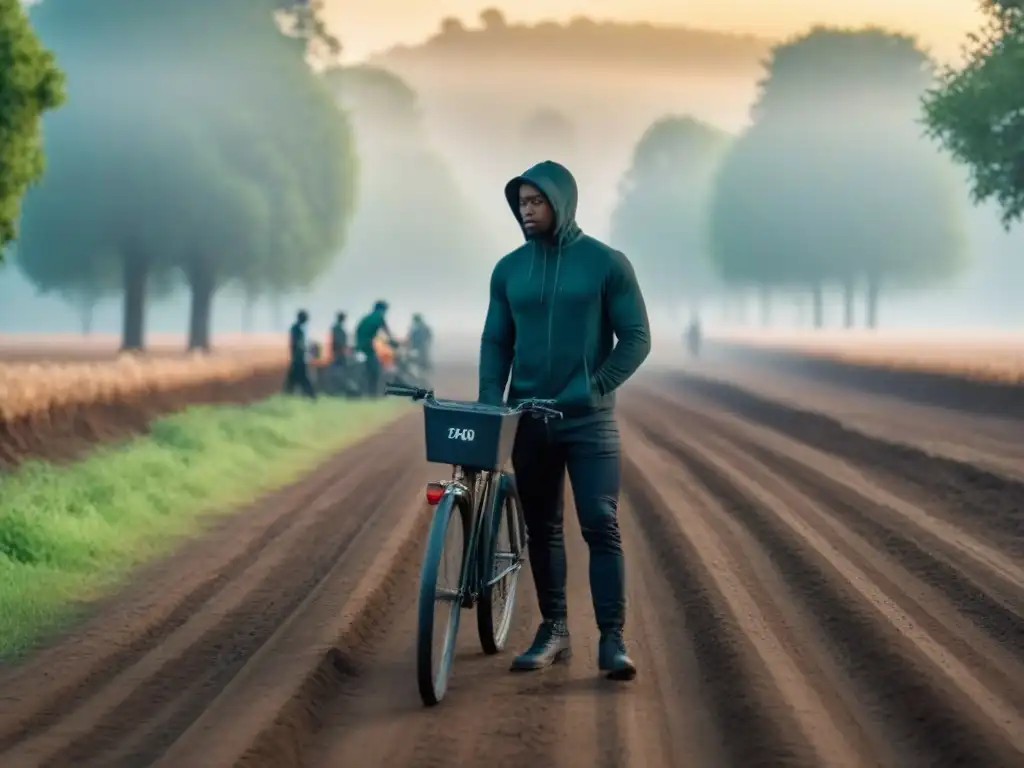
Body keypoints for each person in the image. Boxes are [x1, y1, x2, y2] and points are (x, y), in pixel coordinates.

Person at [478, 160, 651, 681]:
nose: (527, 211)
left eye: (537, 202)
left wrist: (593, 387)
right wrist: (492, 401)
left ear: (562, 202)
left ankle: (612, 641)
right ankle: (554, 630)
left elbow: (637, 338)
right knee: (542, 528)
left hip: (589, 423)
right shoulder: (509, 269)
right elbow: (496, 341)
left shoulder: (606, 264)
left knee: (601, 522)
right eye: (522, 203)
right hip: (529, 421)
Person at [354, 300, 396, 396]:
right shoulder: (379, 317)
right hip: (367, 347)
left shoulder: (367, 317)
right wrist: (393, 342)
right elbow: (387, 332)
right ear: (382, 310)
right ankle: (372, 393)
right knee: (374, 370)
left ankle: (367, 391)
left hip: (360, 346)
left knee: (368, 369)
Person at [284, 309, 316, 398]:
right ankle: (311, 395)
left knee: (294, 378)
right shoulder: (297, 329)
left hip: (298, 358)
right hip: (299, 358)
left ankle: (289, 394)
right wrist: (307, 350)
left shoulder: (297, 329)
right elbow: (298, 344)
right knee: (303, 378)